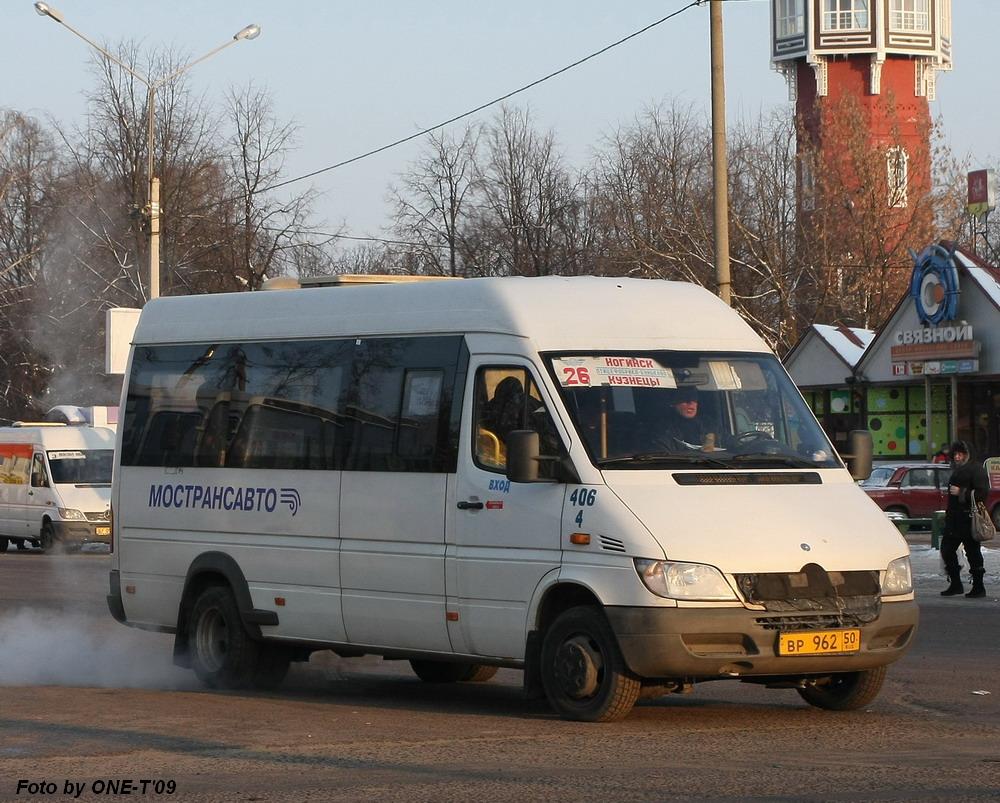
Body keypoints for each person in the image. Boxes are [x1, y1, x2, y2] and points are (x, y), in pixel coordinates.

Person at [939, 440, 990, 599]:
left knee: (973, 552)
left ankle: (978, 586)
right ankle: (955, 583)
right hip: (954, 519)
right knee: (947, 549)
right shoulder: (958, 470)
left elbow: (982, 493)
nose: (957, 457)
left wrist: (962, 492)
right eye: (955, 454)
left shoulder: (976, 469)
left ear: (968, 455)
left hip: (968, 518)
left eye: (960, 454)